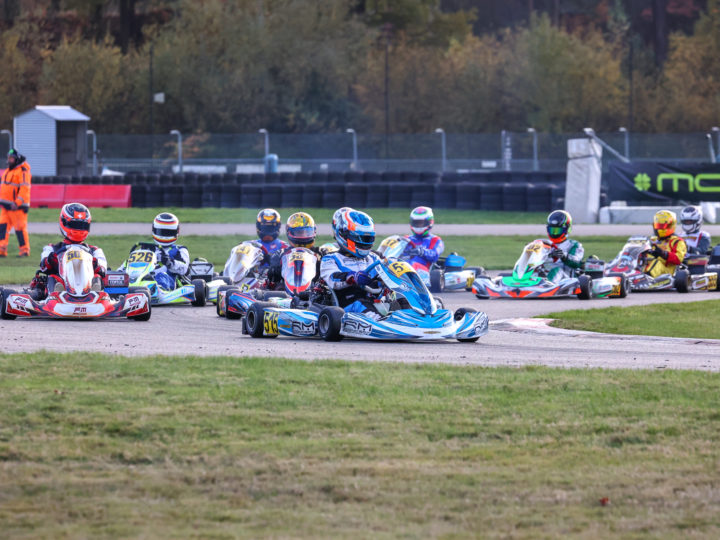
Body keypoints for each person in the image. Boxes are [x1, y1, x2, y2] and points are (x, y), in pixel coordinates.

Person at [320, 209, 381, 318]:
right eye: (360, 238)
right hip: (348, 304)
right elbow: (333, 279)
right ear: (344, 236)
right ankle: (380, 323)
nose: (365, 242)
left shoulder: (373, 257)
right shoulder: (330, 259)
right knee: (361, 303)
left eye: (368, 238)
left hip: (376, 301)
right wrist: (352, 277)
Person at [35, 203, 107, 295]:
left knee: (97, 277)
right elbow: (43, 267)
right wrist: (51, 260)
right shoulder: (52, 249)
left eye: (82, 226)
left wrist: (94, 264)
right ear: (64, 222)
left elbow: (103, 270)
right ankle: (57, 294)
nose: (79, 229)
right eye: (74, 224)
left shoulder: (95, 251)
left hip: (89, 291)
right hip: (62, 290)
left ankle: (95, 293)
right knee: (52, 277)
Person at [123, 212, 190, 291]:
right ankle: (134, 289)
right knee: (122, 278)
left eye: (168, 232)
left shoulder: (180, 250)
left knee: (161, 277)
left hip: (167, 280)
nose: (164, 235)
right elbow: (130, 263)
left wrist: (169, 262)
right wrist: (118, 272)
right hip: (144, 279)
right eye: (161, 231)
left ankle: (155, 291)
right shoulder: (146, 248)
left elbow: (184, 269)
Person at [266, 212, 321, 288]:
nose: (303, 235)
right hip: (284, 293)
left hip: (314, 289)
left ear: (313, 231)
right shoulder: (280, 253)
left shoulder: (320, 253)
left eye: (307, 232)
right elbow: (271, 275)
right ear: (289, 232)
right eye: (299, 232)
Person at [0, 149, 31, 257]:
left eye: (11, 158)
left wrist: (17, 202)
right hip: (5, 206)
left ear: (16, 159)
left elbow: (24, 189)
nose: (9, 160)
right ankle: (2, 249)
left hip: (17, 207)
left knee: (20, 229)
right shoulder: (8, 170)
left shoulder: (23, 171)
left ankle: (24, 250)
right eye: (8, 158)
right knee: (2, 228)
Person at [544, 210, 585, 281]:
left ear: (567, 229)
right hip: (545, 274)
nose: (554, 234)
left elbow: (577, 263)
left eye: (557, 231)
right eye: (552, 230)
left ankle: (546, 288)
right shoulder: (544, 244)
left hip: (567, 278)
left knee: (557, 270)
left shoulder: (574, 245)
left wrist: (564, 257)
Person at [645, 209, 687, 278]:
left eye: (662, 226)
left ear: (670, 226)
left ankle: (643, 278)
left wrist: (663, 253)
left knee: (656, 263)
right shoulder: (652, 240)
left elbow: (678, 259)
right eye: (658, 226)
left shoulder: (677, 241)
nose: (659, 229)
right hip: (648, 267)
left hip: (667, 272)